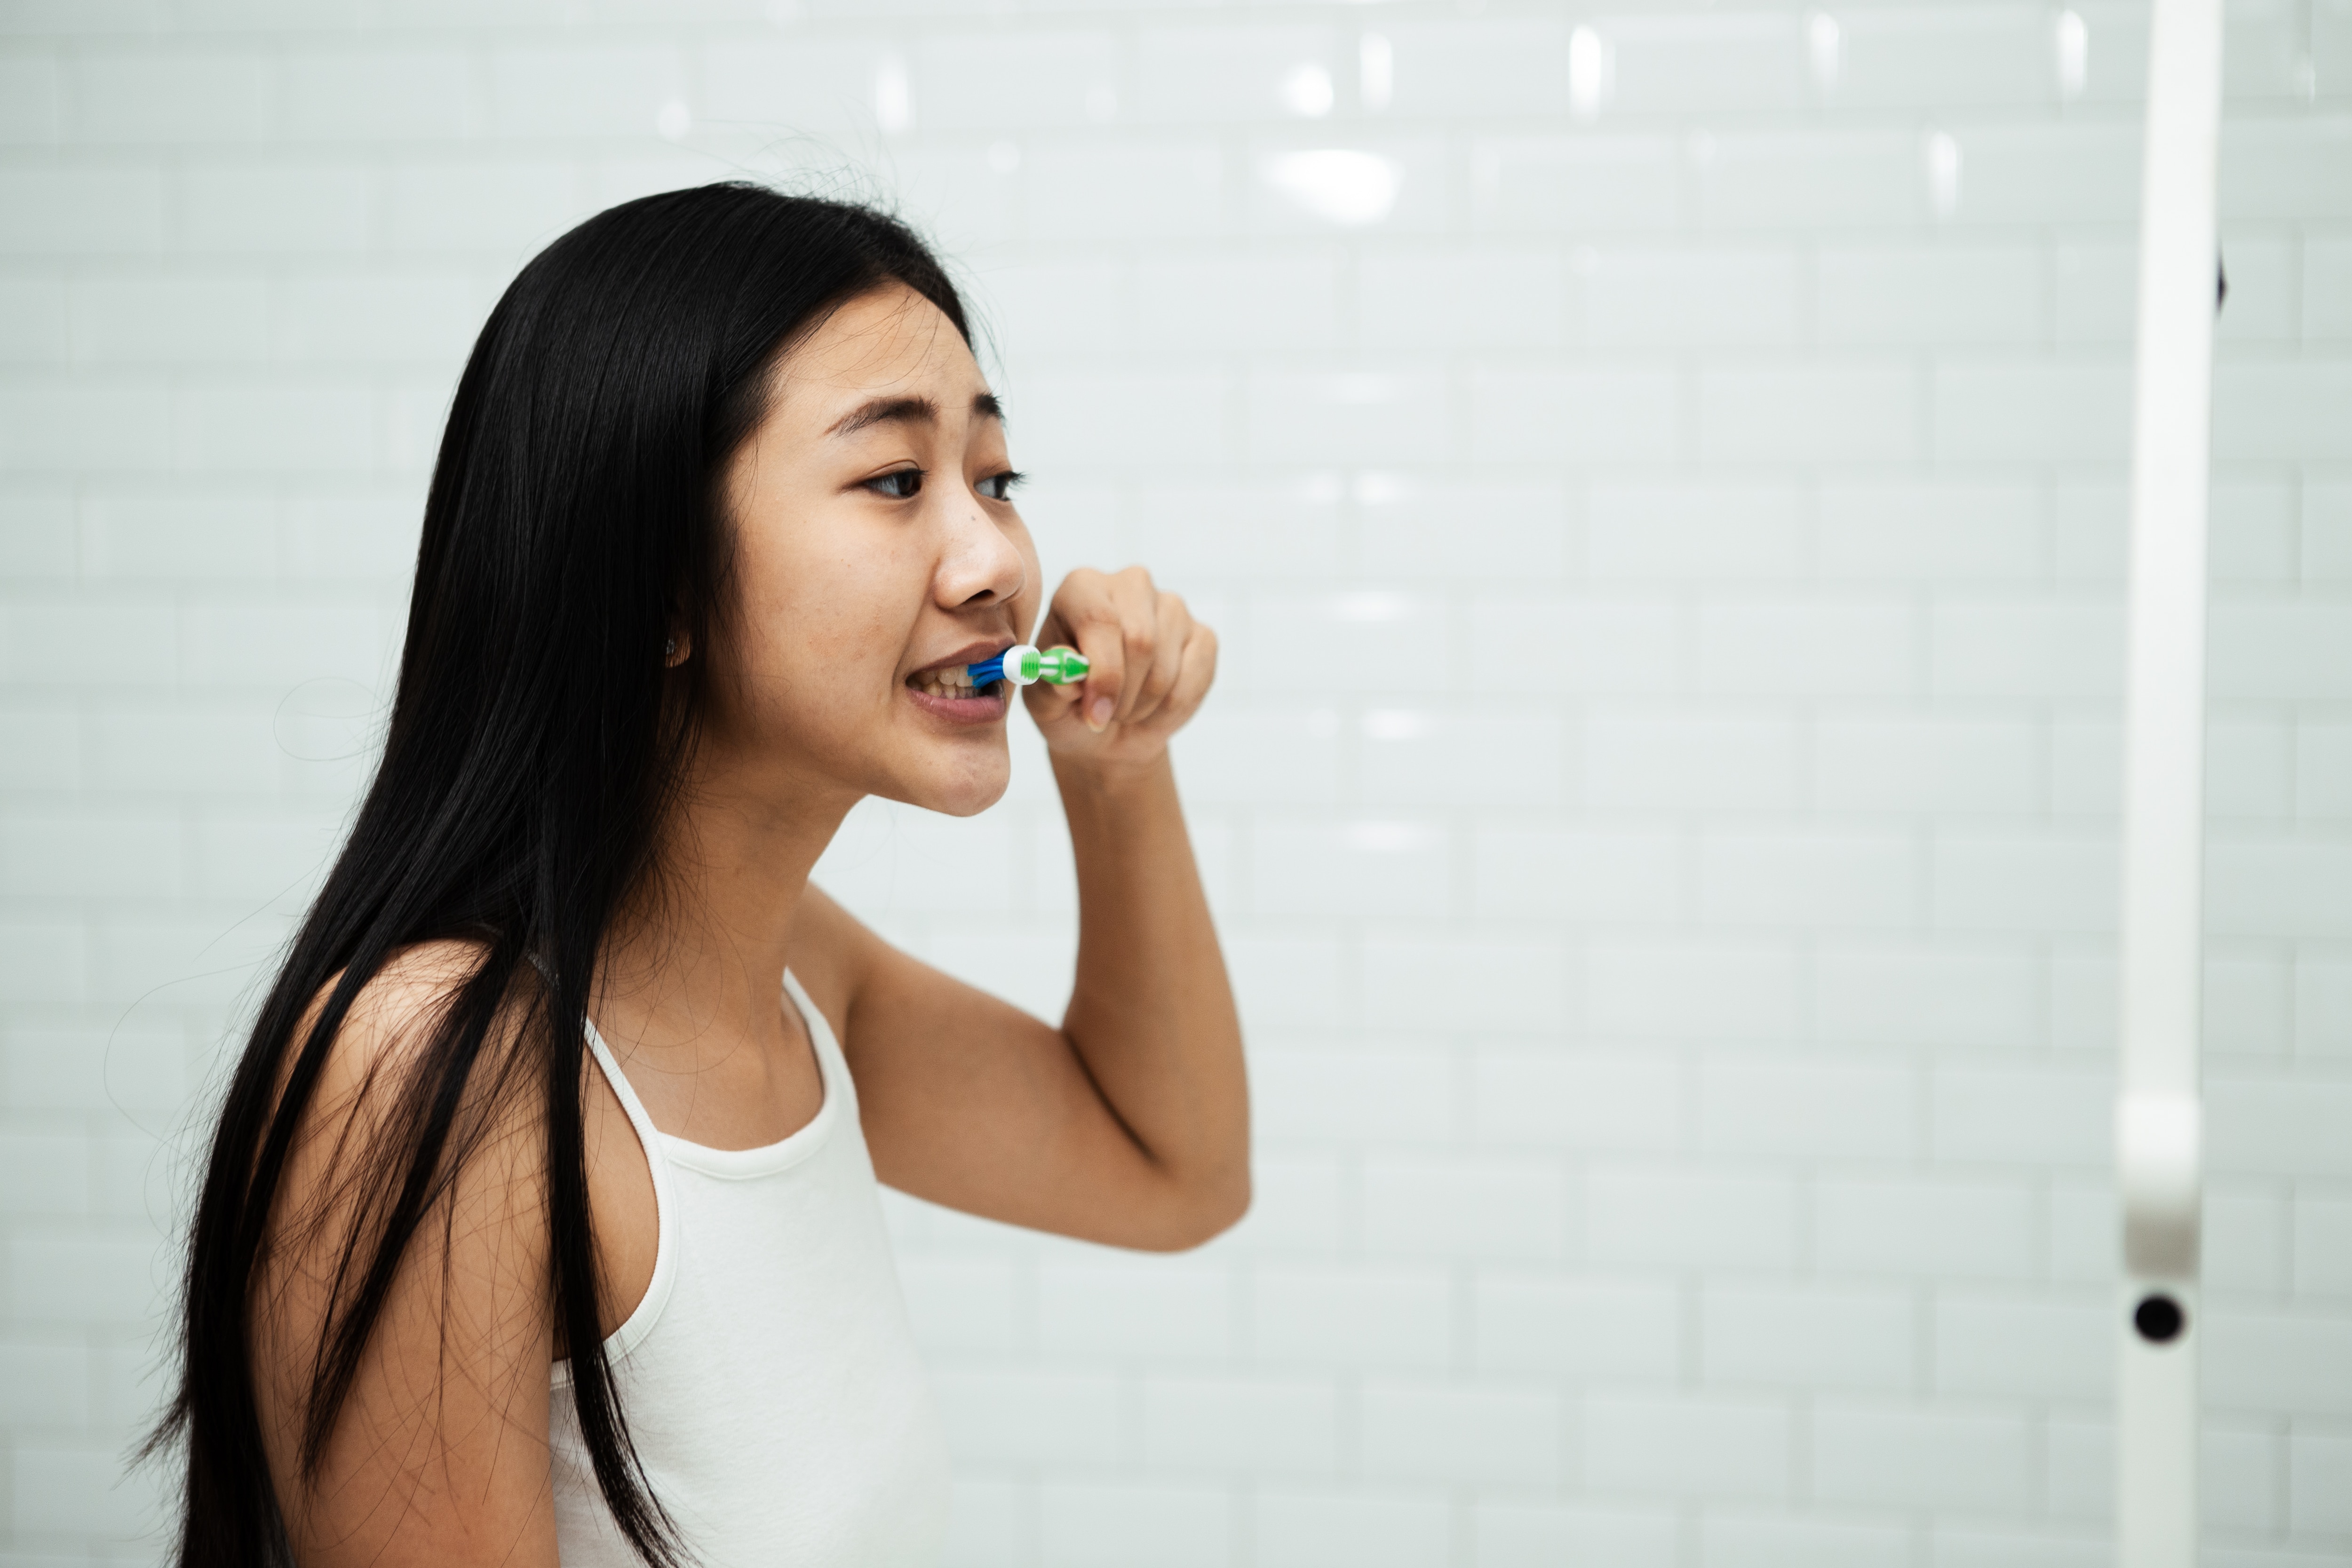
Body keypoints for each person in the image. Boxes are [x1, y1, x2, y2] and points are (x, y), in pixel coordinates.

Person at [148, 183, 1249, 1568]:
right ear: (659, 583)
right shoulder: (434, 1072)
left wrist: (1120, 770)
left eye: (997, 480)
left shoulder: (795, 974)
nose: (997, 563)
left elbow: (1175, 1172)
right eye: (897, 480)